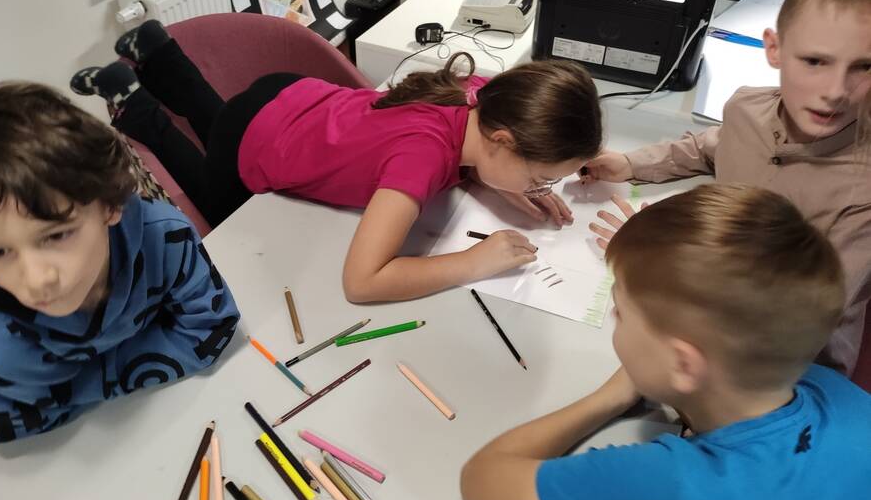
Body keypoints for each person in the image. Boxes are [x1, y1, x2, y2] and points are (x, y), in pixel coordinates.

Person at [461, 183, 871, 500]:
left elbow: (483, 480)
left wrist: (608, 398)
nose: (615, 318)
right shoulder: (839, 393)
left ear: (682, 364)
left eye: (621, 311)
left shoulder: (670, 490)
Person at [71, 24, 603, 302]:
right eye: (541, 177)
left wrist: (511, 185)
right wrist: (472, 262)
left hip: (291, 100)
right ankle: (134, 105)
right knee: (221, 201)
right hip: (261, 140)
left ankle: (158, 53)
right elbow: (362, 281)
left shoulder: (479, 95)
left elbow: (486, 153)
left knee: (230, 118)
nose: (541, 187)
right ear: (503, 141)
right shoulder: (420, 160)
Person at [582, 0, 871, 374]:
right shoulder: (747, 108)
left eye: (865, 67)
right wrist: (633, 163)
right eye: (815, 61)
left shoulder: (862, 189)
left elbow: (805, 317)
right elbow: (711, 146)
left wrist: (655, 257)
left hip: (786, 367)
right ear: (774, 49)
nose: (835, 91)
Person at [0, 83, 240, 442]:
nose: (36, 279)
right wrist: (132, 366)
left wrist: (80, 386)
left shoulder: (164, 237)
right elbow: (10, 424)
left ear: (110, 204)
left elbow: (212, 328)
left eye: (56, 235)